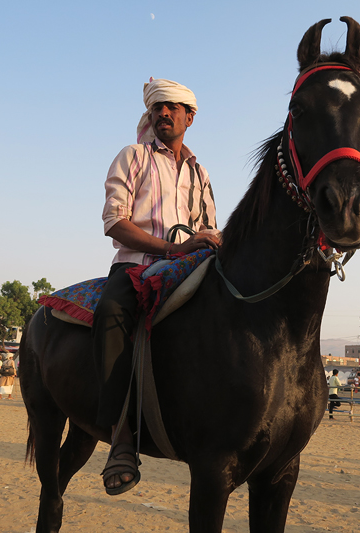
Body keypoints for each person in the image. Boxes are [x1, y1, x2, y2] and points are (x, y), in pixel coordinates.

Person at [93, 78, 219, 496]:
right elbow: (115, 221)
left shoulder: (200, 174)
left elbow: (209, 229)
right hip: (135, 268)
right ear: (150, 114)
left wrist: (210, 242)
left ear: (189, 116)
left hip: (190, 267)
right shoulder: (133, 156)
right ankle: (121, 439)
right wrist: (171, 248)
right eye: (157, 107)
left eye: (172, 107)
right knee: (111, 312)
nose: (164, 113)